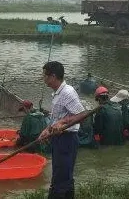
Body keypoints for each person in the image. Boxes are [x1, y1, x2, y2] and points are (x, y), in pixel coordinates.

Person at [38, 61, 85, 199]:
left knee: (59, 180)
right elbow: (58, 117)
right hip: (59, 139)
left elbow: (81, 115)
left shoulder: (67, 92)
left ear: (53, 76)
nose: (43, 79)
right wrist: (47, 130)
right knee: (65, 177)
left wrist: (63, 122)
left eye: (44, 76)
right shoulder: (57, 93)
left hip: (67, 140)